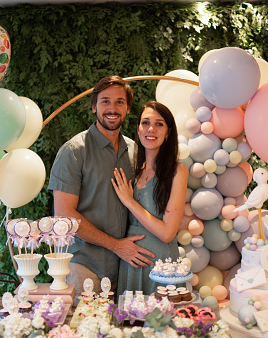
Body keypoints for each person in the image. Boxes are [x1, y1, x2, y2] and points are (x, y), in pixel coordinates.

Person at [48, 76, 155, 299]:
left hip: (127, 267)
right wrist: (116, 246)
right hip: (84, 266)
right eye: (105, 101)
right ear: (94, 107)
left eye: (119, 102)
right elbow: (64, 216)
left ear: (127, 109)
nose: (112, 108)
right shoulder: (74, 151)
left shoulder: (136, 151)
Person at [113, 101, 189, 296]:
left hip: (160, 265)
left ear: (168, 132)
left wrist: (130, 202)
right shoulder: (133, 171)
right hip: (130, 263)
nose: (151, 129)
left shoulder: (177, 171)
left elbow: (167, 233)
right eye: (145, 122)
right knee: (127, 322)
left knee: (160, 322)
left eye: (159, 124)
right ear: (138, 129)